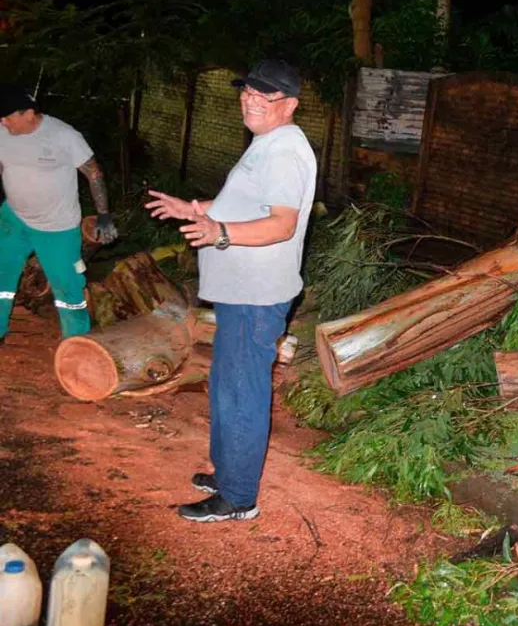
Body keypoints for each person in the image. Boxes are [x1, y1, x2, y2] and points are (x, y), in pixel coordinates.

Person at [145, 59, 317, 523]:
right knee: (226, 385)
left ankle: (239, 498)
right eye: (248, 92)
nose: (251, 100)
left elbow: (281, 225)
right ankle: (228, 473)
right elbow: (242, 204)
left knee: (242, 392)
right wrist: (193, 207)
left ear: (290, 106)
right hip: (240, 291)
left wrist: (219, 232)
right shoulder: (266, 143)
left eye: (265, 96)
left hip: (258, 295)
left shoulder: (284, 151)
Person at [0, 84, 117, 343]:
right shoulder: (2, 131)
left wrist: (104, 215)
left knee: (68, 287)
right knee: (1, 273)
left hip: (57, 227)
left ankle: (77, 344)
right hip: (13, 218)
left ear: (29, 113)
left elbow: (94, 173)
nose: (3, 122)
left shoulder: (64, 136)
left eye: (8, 116)